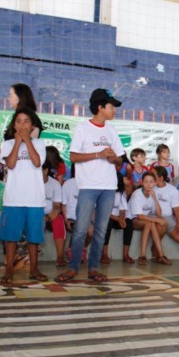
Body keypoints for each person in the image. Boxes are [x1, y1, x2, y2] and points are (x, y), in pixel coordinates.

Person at [55, 88, 125, 283]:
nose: (115, 110)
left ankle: (94, 268)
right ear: (100, 107)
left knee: (102, 230)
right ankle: (72, 267)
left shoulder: (112, 131)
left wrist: (113, 159)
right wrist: (98, 154)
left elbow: (120, 162)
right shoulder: (83, 128)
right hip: (87, 186)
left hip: (109, 187)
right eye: (111, 107)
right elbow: (73, 156)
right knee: (81, 229)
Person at [0, 107, 47, 283]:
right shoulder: (8, 144)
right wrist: (18, 142)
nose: (22, 125)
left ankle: (34, 269)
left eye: (26, 121)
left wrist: (28, 140)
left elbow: (36, 162)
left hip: (35, 199)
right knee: (10, 237)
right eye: (18, 121)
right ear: (14, 125)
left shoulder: (40, 144)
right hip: (13, 198)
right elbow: (10, 164)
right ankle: (9, 271)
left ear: (32, 125)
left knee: (34, 238)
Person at [129, 171, 170, 265]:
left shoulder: (152, 193)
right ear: (142, 183)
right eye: (146, 182)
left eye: (151, 182)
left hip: (144, 220)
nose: (148, 184)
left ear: (155, 183)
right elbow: (139, 216)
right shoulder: (137, 194)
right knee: (150, 222)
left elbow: (159, 214)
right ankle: (144, 255)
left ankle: (160, 255)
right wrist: (158, 220)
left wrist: (155, 198)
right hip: (132, 220)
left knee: (151, 223)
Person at [102, 172, 135, 264]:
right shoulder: (103, 192)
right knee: (107, 222)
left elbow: (122, 209)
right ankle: (104, 254)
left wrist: (122, 219)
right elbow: (105, 212)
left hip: (117, 218)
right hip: (106, 218)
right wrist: (118, 219)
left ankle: (126, 254)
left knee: (129, 223)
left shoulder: (121, 193)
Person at [43, 161, 66, 267]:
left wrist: (52, 213)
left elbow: (57, 205)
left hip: (51, 213)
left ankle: (60, 257)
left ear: (46, 170)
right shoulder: (31, 184)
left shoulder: (55, 184)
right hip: (36, 214)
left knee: (59, 221)